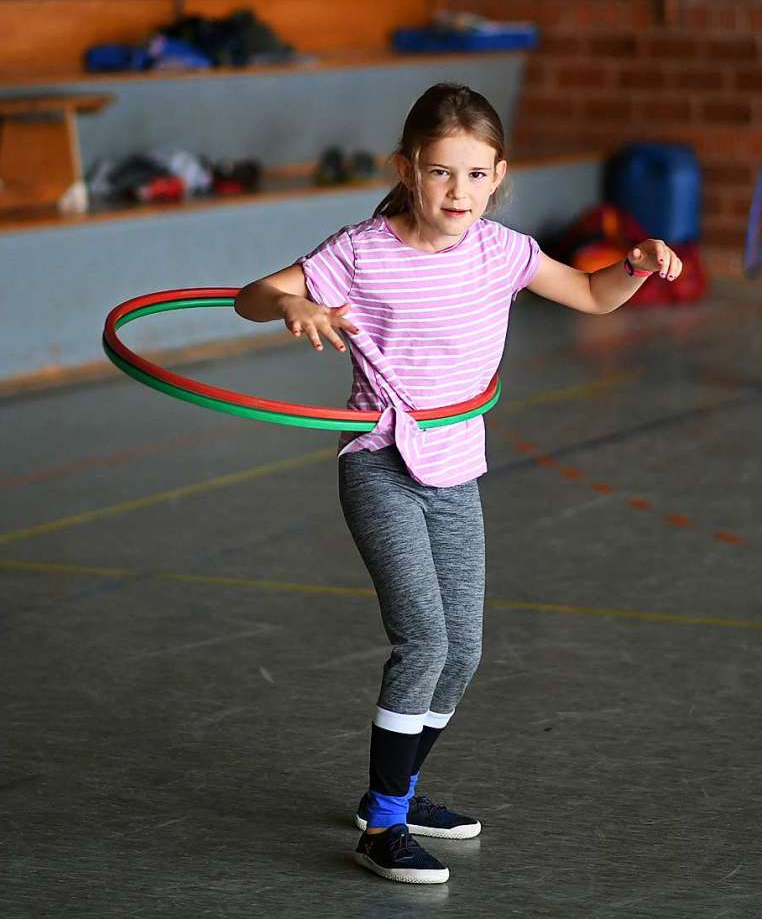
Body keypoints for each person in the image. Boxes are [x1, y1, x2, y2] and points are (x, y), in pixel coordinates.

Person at [234, 83, 683, 885]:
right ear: (406, 171)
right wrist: (294, 307)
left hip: (456, 468)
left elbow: (588, 293)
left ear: (499, 175)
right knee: (424, 641)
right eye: (441, 174)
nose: (458, 194)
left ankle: (395, 794)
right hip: (379, 462)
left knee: (464, 650)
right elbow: (250, 296)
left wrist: (635, 265)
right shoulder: (362, 250)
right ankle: (382, 825)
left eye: (476, 177)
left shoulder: (501, 252)